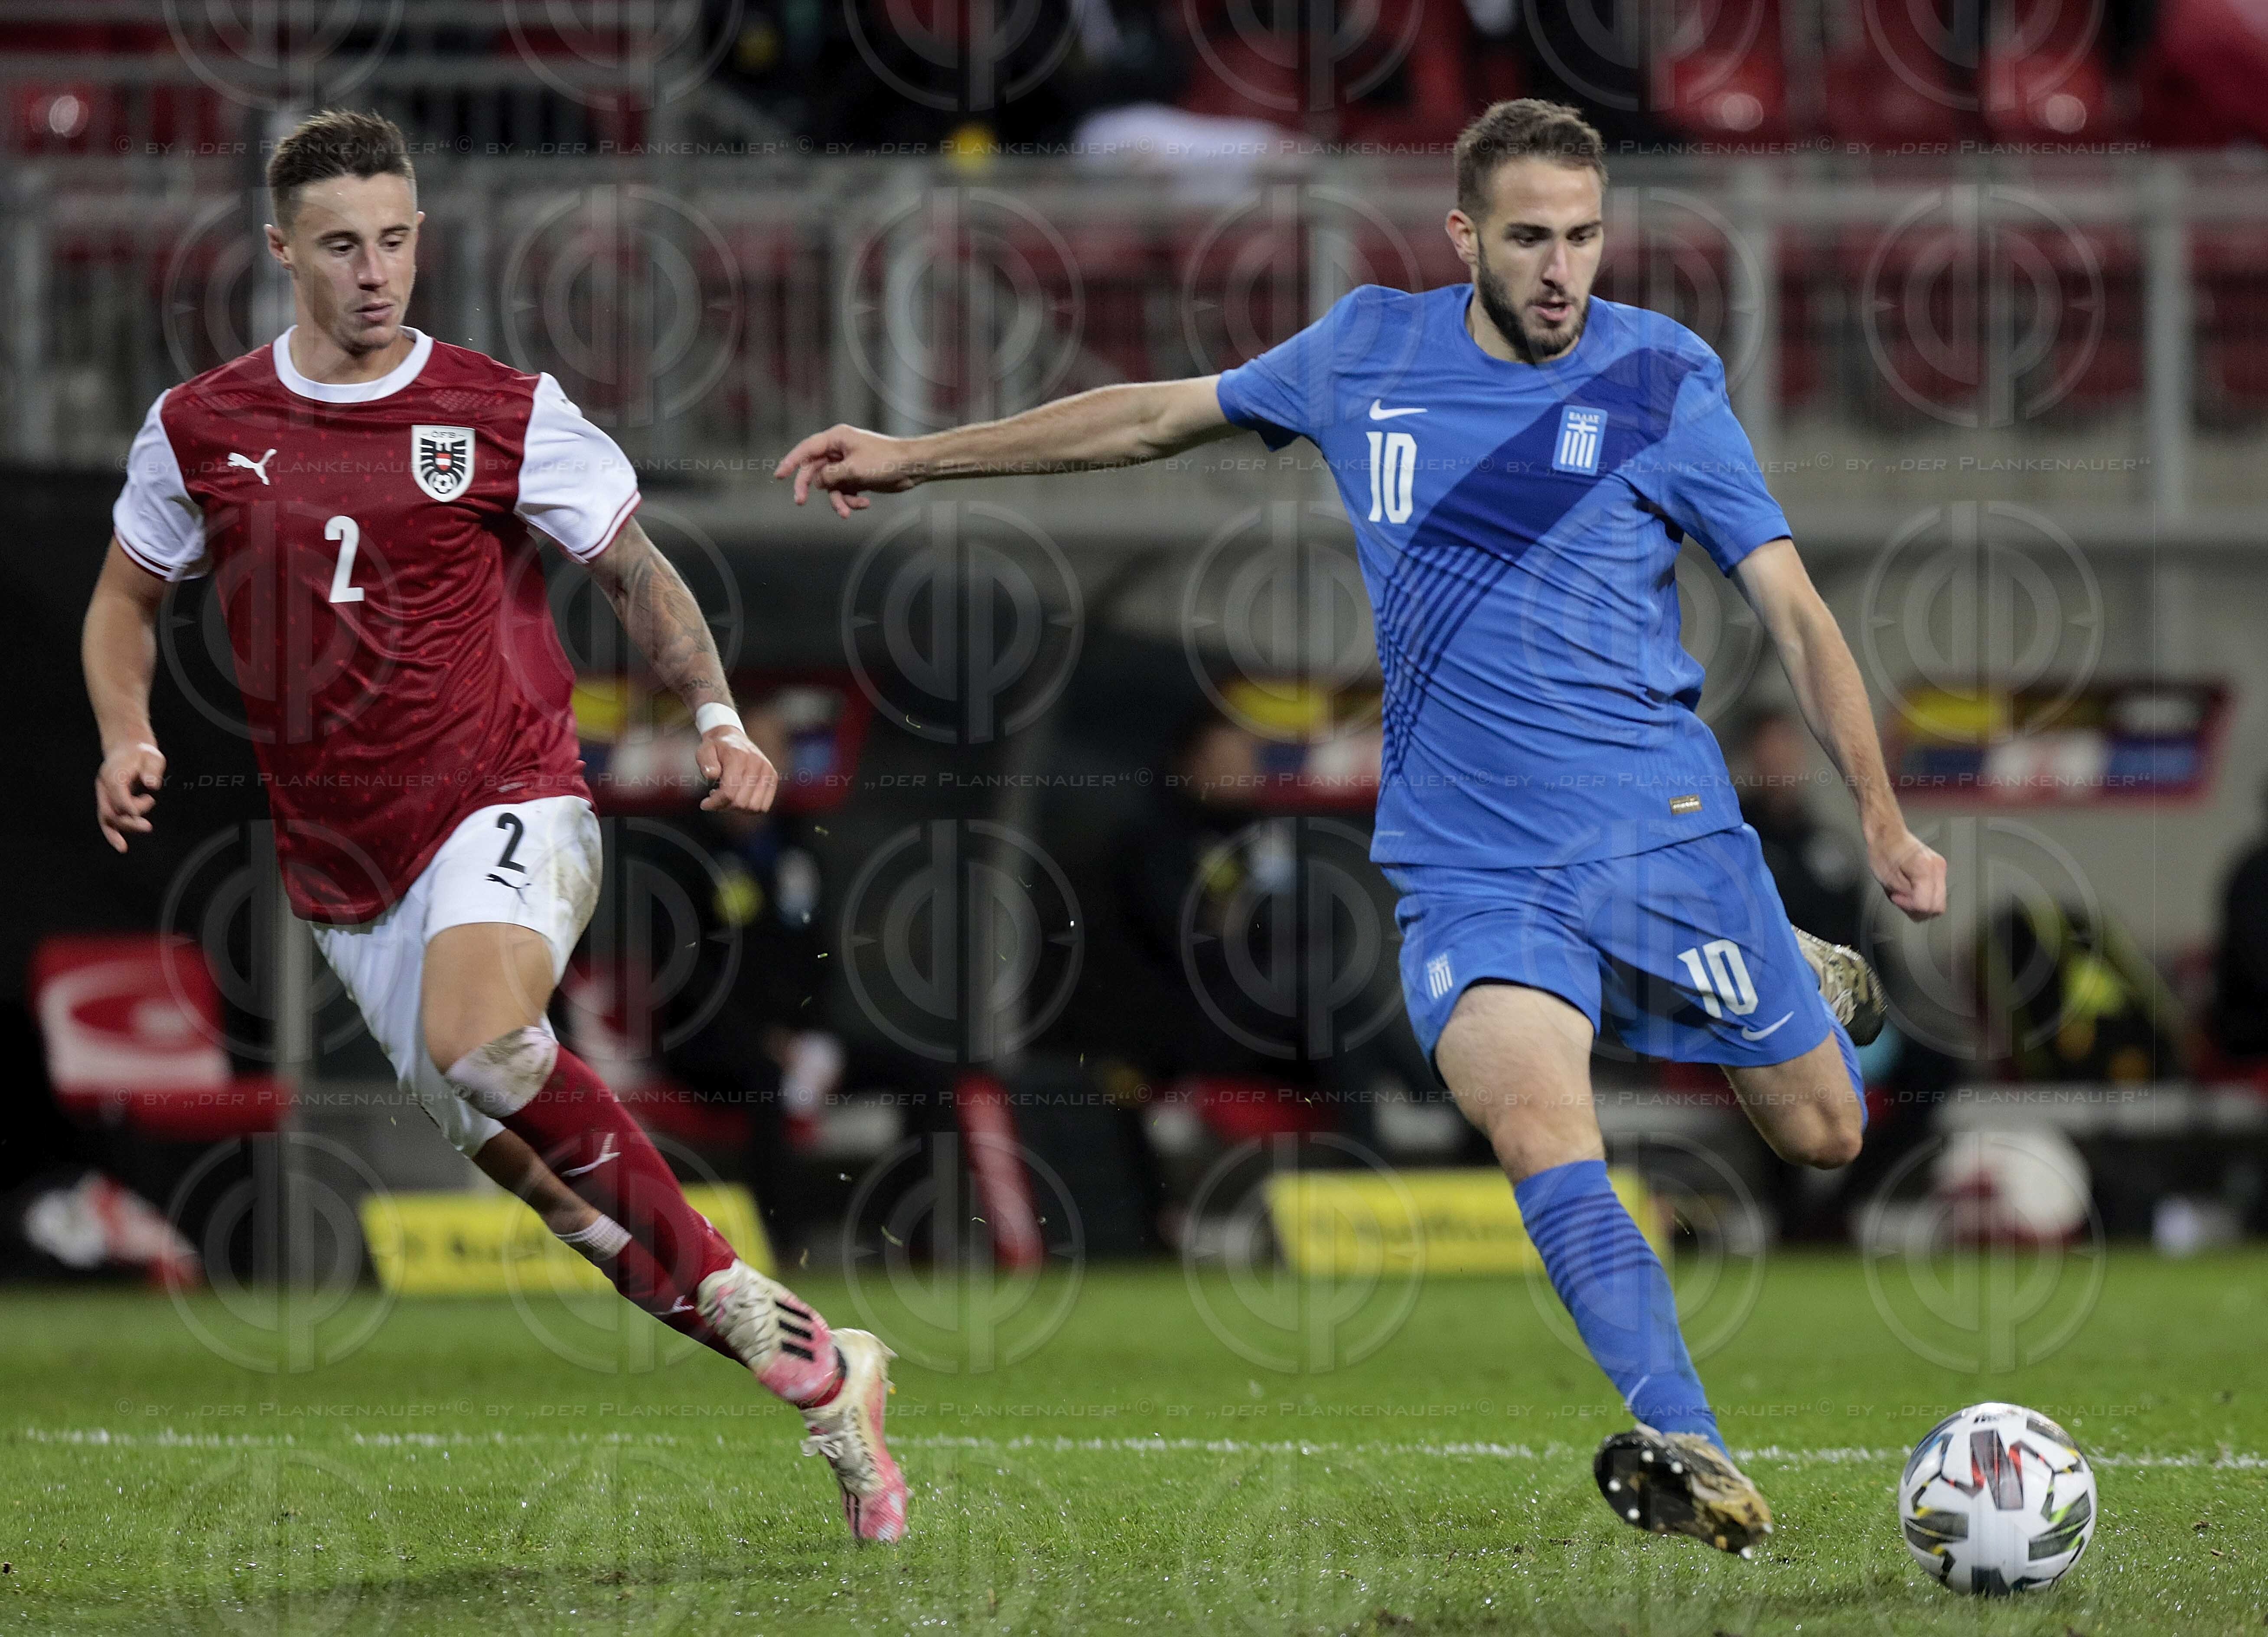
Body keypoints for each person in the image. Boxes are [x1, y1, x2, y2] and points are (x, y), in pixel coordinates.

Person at [776, 98, 1948, 1555]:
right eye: (1530, 237)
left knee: (1824, 1129)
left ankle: (1791, 964)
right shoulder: (1364, 355)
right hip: (1471, 865)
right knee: (1537, 1123)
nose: (1562, 269)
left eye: (1585, 236)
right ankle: (1689, 1439)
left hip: (1663, 839)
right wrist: (918, 455)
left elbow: (1792, 607)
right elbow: (1151, 414)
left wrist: (1883, 819)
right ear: (1465, 237)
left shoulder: (1662, 385)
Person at [80, 109, 905, 1543]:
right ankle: (831, 1377)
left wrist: (715, 716)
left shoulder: (500, 409)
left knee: (483, 1039)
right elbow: (121, 601)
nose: (375, 270)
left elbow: (637, 573)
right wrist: (126, 732)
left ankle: (747, 1302)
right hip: (345, 879)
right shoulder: (202, 427)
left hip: (509, 796)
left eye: (395, 238)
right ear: (283, 251)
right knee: (567, 1198)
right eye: (342, 245)